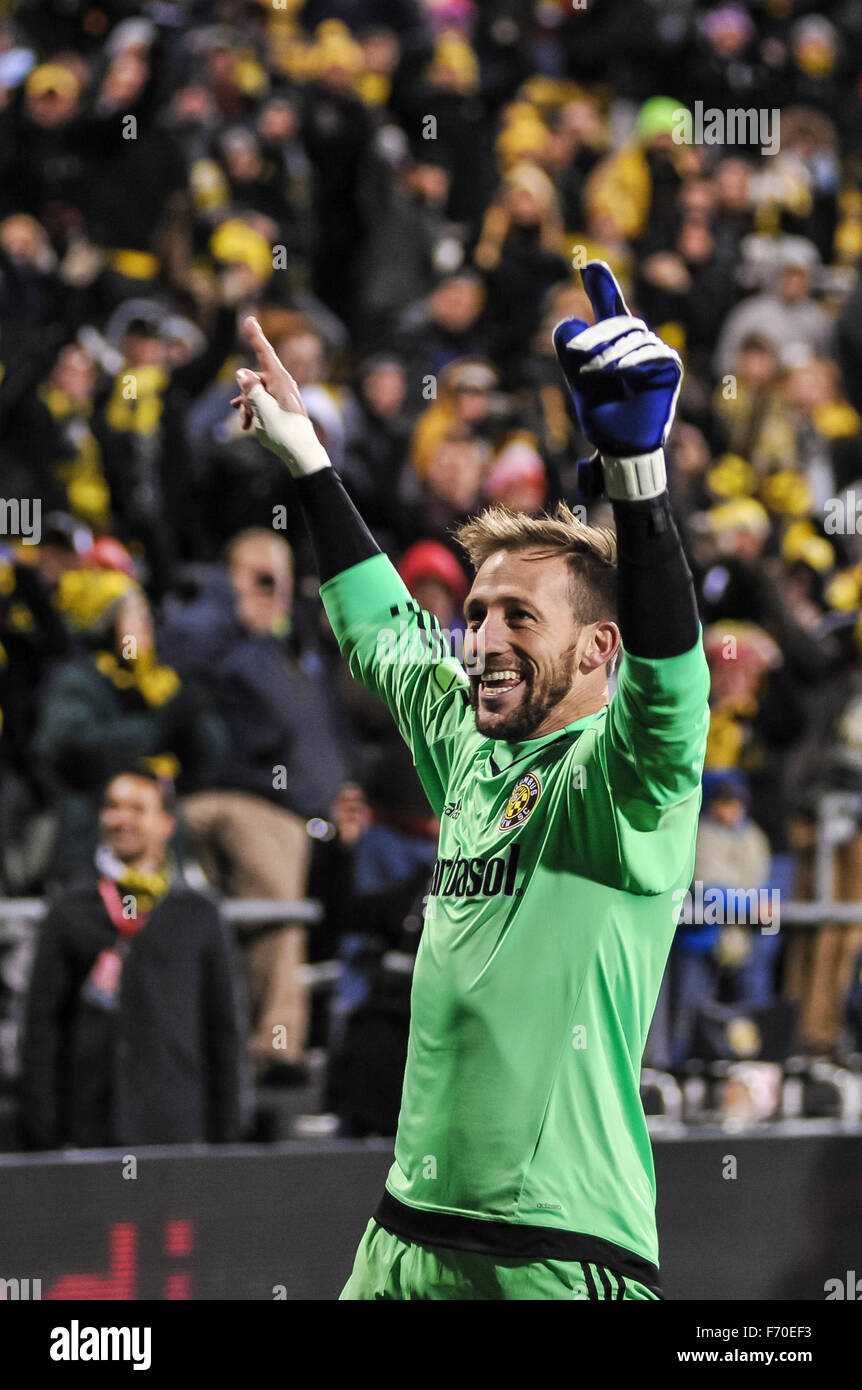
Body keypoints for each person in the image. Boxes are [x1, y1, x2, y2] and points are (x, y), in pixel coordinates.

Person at [232, 260, 709, 1301]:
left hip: (558, 1253)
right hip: (403, 1236)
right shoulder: (469, 748)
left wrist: (636, 479)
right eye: (479, 611)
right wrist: (310, 459)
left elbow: (672, 700)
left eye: (517, 617)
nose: (482, 638)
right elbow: (385, 637)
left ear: (597, 652)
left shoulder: (616, 787)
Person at [20, 768, 245, 1149]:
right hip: (89, 1131)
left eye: (137, 809)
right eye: (112, 806)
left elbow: (223, 1029)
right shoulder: (69, 909)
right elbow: (42, 1029)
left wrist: (227, 1134)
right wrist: (45, 1131)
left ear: (166, 824)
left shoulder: (199, 914)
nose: (121, 819)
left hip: (178, 1132)